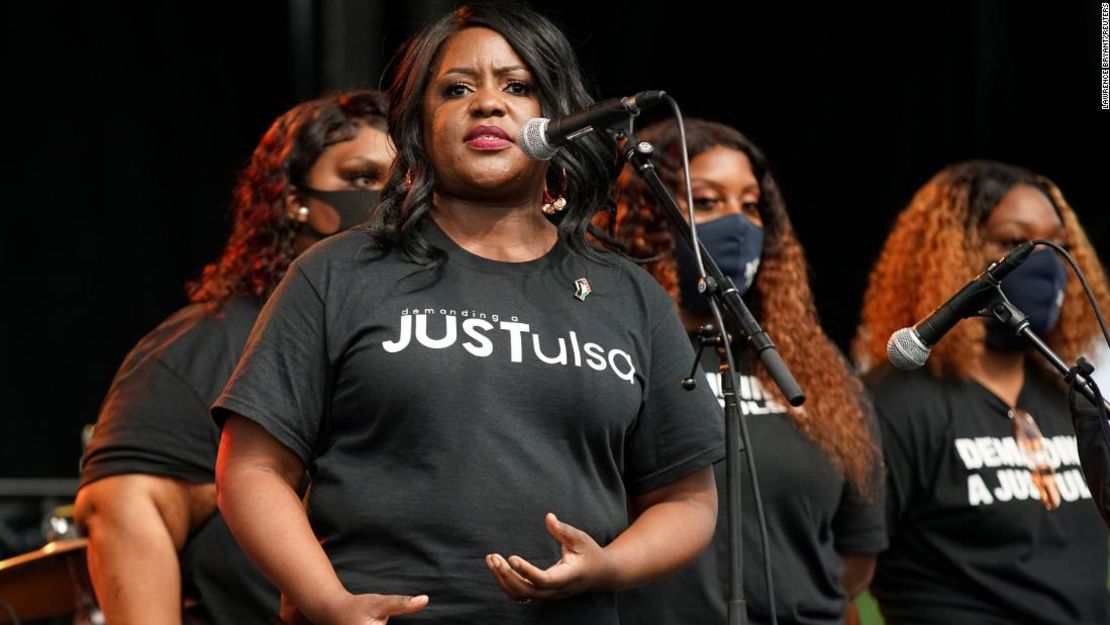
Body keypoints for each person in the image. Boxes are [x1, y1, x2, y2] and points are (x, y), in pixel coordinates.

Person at [211, 4, 724, 625]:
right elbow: (252, 467)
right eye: (457, 89)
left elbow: (688, 499)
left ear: (559, 118)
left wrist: (608, 565)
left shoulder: (628, 295)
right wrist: (328, 601)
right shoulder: (340, 272)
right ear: (419, 125)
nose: (488, 104)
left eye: (517, 86)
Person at [75, 90, 394, 625]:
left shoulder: (415, 332)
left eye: (401, 179)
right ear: (295, 197)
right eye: (361, 178)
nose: (384, 198)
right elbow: (127, 507)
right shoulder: (208, 341)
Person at [602, 118, 885, 625]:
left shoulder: (811, 365)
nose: (736, 223)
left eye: (750, 206)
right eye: (707, 202)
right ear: (644, 218)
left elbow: (856, 555)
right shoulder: (610, 346)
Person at [854, 160, 1110, 624]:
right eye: (1015, 244)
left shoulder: (1071, 396)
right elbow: (843, 572)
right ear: (952, 255)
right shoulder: (894, 405)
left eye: (1059, 244)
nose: (1044, 262)